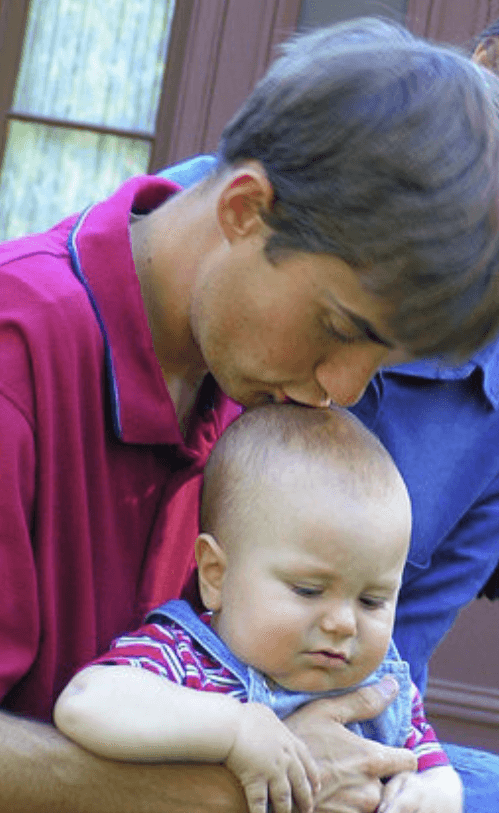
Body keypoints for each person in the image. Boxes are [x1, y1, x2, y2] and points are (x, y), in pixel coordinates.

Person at [1, 15, 499, 813]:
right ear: (243, 210)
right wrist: (243, 784)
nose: (338, 389)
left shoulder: (255, 370)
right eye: (338, 328)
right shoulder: (16, 357)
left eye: (383, 362)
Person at [54, 405, 462, 813]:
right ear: (215, 575)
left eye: (372, 601)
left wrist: (434, 792)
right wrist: (234, 728)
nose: (342, 623)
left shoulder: (381, 689)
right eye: (308, 590)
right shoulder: (183, 659)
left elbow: (430, 764)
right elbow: (84, 703)